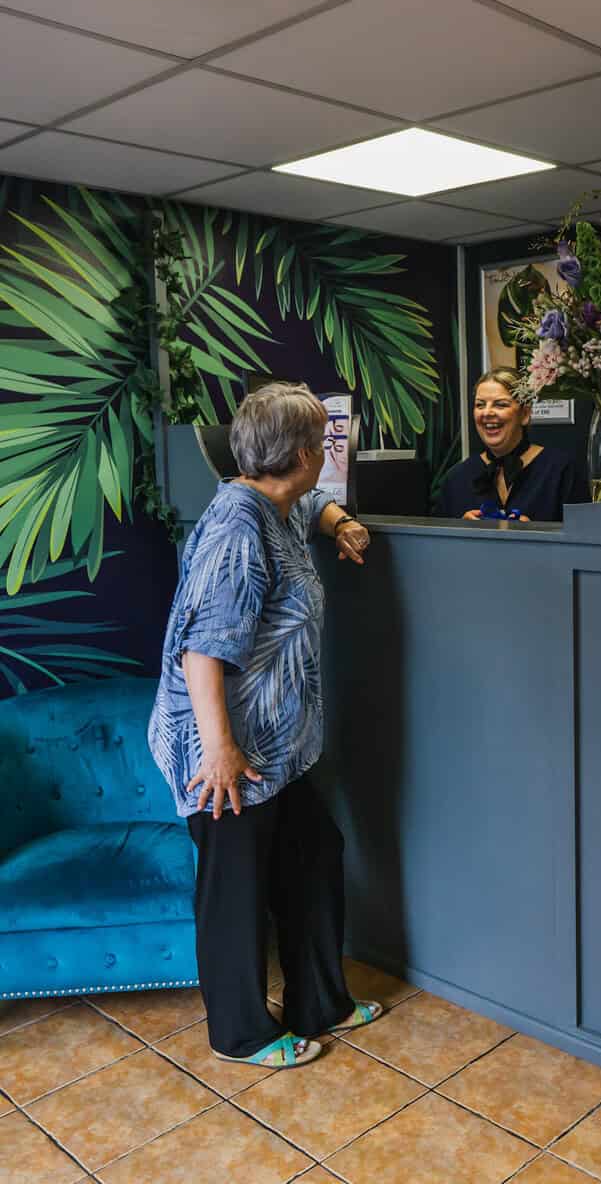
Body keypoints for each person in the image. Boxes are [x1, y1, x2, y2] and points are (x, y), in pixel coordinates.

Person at [148, 382, 382, 1069]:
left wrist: (340, 520)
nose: (326, 451)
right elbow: (200, 652)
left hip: (272, 747)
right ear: (304, 452)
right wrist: (219, 751)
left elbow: (309, 504)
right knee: (237, 887)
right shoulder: (237, 528)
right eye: (322, 442)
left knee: (314, 852)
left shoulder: (272, 501)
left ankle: (321, 1001)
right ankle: (240, 1032)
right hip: (225, 749)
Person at [436, 368, 588, 522]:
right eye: (480, 405)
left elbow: (584, 538)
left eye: (500, 405)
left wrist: (536, 534)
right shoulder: (456, 478)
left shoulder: (561, 471)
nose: (487, 412)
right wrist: (462, 530)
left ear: (525, 414)